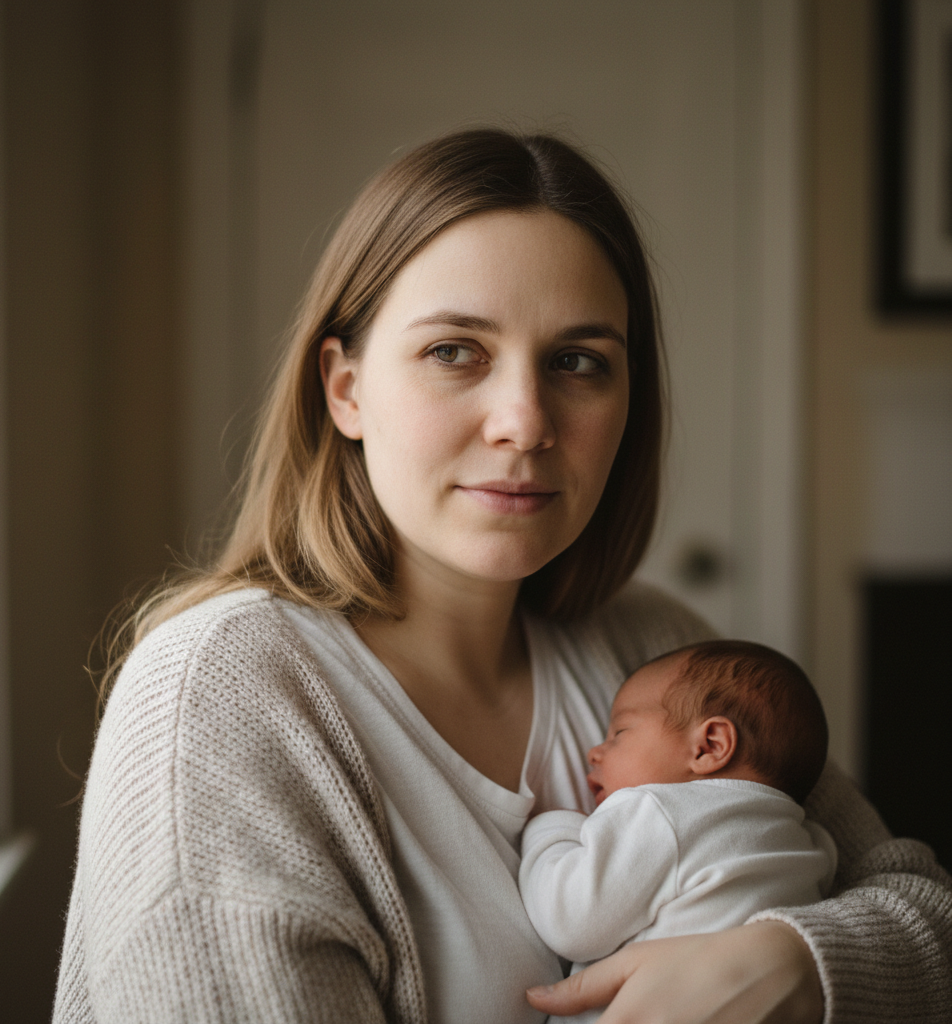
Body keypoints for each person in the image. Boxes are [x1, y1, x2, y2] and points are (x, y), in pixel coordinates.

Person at [53, 128, 952, 1024]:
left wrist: (796, 963)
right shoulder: (219, 695)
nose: (525, 422)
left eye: (577, 362)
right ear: (345, 388)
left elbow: (925, 908)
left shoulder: (656, 646)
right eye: (454, 351)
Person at [519, 640, 838, 1024]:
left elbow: (570, 920)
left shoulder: (658, 812)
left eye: (619, 732)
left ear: (709, 746)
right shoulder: (814, 842)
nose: (594, 752)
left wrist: (553, 828)